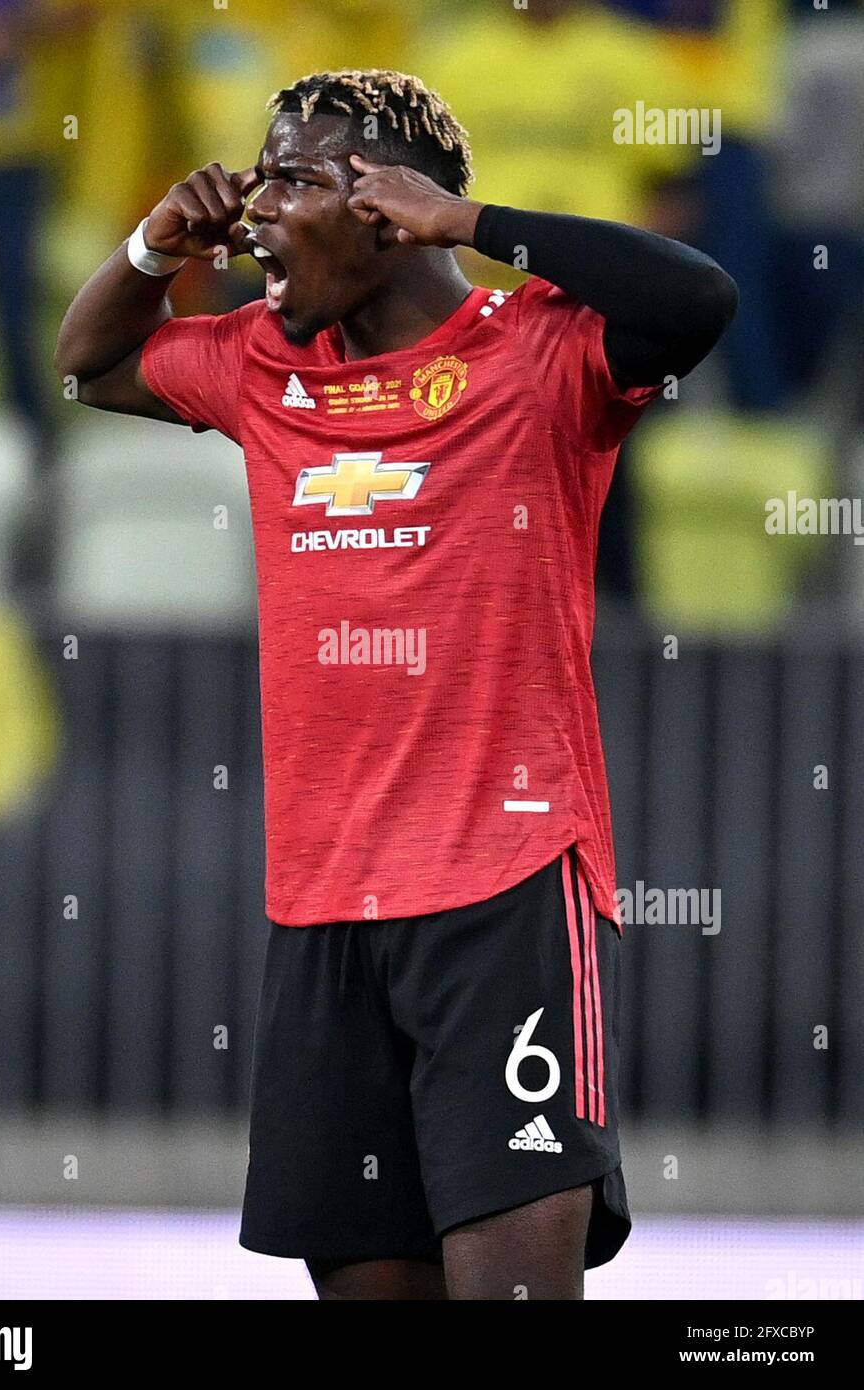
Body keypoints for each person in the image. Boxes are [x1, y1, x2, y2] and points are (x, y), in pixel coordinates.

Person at [55, 68, 737, 1300]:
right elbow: (88, 363)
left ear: (385, 204)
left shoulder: (537, 355)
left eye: (295, 180)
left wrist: (470, 223)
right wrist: (157, 242)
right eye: (258, 180)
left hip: (507, 895)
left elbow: (697, 296)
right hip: (323, 906)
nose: (258, 212)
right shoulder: (262, 363)